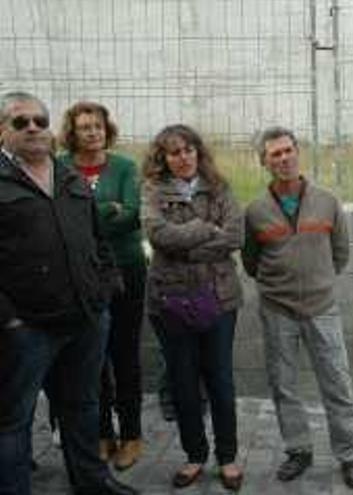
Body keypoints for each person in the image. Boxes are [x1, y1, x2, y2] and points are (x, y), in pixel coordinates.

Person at [0, 91, 138, 495]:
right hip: (26, 329)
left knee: (83, 407)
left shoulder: (69, 176)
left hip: (86, 318)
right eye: (19, 121)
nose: (32, 128)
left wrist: (106, 290)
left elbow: (98, 239)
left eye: (39, 121)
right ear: (2, 131)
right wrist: (9, 319)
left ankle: (92, 484)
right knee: (13, 420)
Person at [242, 126, 353, 489]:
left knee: (337, 383)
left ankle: (350, 455)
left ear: (298, 152)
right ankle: (298, 450)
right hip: (277, 309)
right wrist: (277, 286)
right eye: (274, 154)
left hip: (322, 306)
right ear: (264, 162)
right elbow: (250, 261)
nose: (283, 159)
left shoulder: (327, 201)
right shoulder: (255, 211)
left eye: (287, 151)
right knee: (284, 384)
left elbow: (340, 252)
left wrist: (320, 281)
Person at [141, 124, 244, 491]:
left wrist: (183, 249)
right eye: (173, 152)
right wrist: (205, 228)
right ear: (163, 158)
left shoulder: (220, 187)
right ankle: (194, 455)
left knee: (220, 379)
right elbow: (158, 235)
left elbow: (235, 236)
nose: (182, 158)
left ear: (198, 152)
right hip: (170, 301)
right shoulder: (153, 190)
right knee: (183, 381)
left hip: (219, 298)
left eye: (188, 150)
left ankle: (228, 457)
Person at [57, 101, 147, 470]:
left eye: (97, 126)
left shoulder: (124, 166)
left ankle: (131, 435)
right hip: (80, 275)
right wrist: (106, 209)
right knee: (91, 359)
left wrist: (90, 215)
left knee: (124, 356)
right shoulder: (60, 166)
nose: (92, 132)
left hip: (126, 271)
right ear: (73, 132)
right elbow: (61, 217)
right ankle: (102, 433)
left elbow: (132, 215)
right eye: (84, 127)